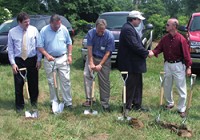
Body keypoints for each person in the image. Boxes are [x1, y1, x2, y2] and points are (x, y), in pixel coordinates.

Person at [149, 18, 192, 118]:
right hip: (167, 64)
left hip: (178, 65)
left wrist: (188, 67)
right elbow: (158, 48)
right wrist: (152, 52)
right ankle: (170, 103)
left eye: (168, 25)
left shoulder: (181, 39)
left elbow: (186, 54)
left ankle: (182, 108)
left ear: (174, 26)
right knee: (167, 85)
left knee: (180, 87)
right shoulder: (165, 38)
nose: (166, 26)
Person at [7, 12, 41, 113]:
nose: (28, 23)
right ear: (19, 22)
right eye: (25, 22)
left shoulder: (34, 30)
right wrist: (13, 63)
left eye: (28, 21)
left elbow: (38, 46)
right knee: (19, 84)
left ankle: (33, 102)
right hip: (19, 61)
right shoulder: (12, 32)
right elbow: (11, 50)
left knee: (33, 82)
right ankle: (19, 106)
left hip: (31, 59)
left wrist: (39, 60)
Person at [117, 11, 150, 112]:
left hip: (134, 64)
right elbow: (134, 45)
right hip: (129, 64)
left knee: (137, 84)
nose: (140, 21)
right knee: (130, 85)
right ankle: (126, 106)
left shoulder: (130, 28)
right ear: (133, 19)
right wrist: (147, 53)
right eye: (139, 19)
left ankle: (136, 104)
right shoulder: (127, 29)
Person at [38, 14, 73, 109]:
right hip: (50, 59)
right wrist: (47, 55)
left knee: (65, 80)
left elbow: (69, 43)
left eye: (59, 25)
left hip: (62, 58)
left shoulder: (64, 29)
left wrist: (69, 55)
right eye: (55, 26)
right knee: (52, 82)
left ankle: (68, 102)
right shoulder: (44, 31)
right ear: (51, 23)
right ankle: (54, 101)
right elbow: (40, 46)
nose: (57, 27)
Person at [82, 19, 115, 112]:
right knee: (86, 75)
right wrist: (91, 63)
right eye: (99, 30)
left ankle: (105, 103)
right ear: (95, 27)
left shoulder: (109, 36)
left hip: (104, 59)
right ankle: (90, 99)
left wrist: (100, 64)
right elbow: (89, 49)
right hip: (92, 56)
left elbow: (108, 53)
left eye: (103, 30)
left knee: (104, 81)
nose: (101, 32)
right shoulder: (91, 33)